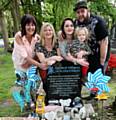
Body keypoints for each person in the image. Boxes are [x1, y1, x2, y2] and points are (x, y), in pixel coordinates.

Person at [12, 14, 47, 110]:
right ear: (23, 26)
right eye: (28, 25)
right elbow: (25, 57)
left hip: (31, 64)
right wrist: (39, 64)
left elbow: (38, 52)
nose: (31, 27)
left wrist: (33, 61)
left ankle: (35, 100)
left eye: (33, 25)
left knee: (34, 82)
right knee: (23, 83)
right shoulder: (18, 36)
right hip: (20, 65)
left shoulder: (37, 38)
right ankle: (27, 101)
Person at [73, 0, 109, 74]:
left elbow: (104, 42)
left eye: (82, 11)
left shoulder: (98, 22)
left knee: (96, 81)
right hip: (83, 57)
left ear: (88, 10)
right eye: (78, 12)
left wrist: (101, 63)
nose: (80, 14)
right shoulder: (75, 23)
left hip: (98, 57)